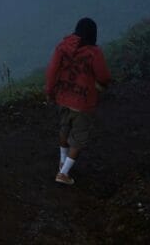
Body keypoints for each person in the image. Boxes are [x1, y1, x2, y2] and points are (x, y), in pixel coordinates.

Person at [44, 17, 111, 186]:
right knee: (79, 138)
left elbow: (52, 72)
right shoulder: (94, 52)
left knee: (64, 129)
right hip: (82, 102)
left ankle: (62, 160)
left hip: (62, 97)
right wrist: (102, 85)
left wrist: (50, 93)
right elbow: (103, 76)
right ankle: (63, 173)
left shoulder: (62, 47)